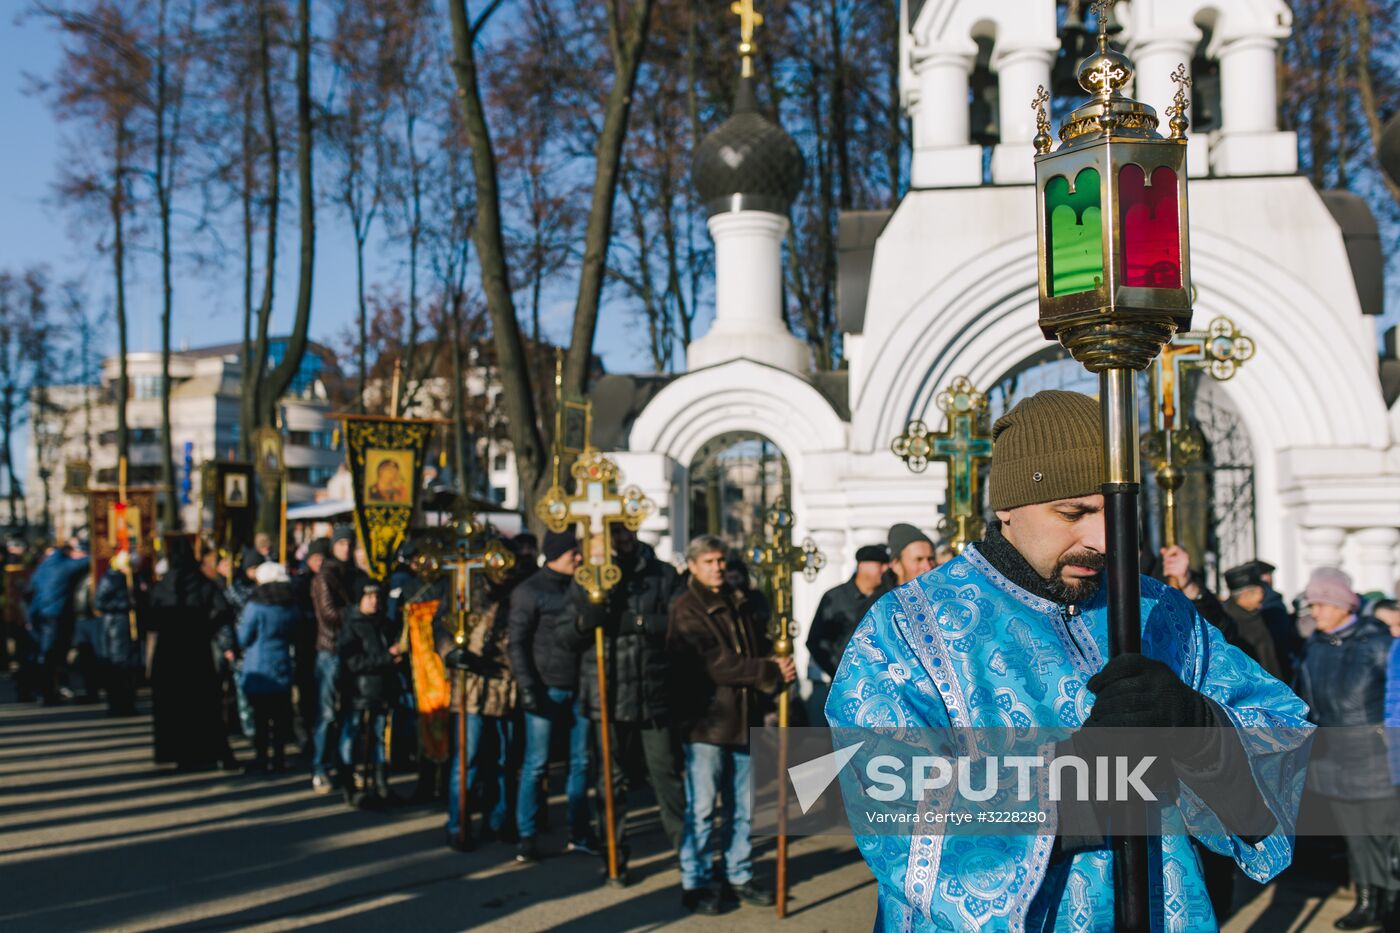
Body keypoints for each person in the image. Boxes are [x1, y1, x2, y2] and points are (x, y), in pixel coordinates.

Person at [827, 390, 1311, 930]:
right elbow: (887, 801)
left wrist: (1201, 730)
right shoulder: (905, 629)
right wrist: (1072, 790)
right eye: (1074, 512)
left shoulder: (1160, 611)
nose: (1104, 539)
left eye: (1115, 511)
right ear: (1006, 506)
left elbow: (1283, 736)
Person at [668, 533, 796, 915]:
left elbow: (755, 647)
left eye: (720, 560)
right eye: (708, 561)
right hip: (706, 721)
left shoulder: (739, 601)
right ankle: (697, 879)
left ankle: (738, 872)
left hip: (744, 718)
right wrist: (768, 671)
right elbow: (715, 662)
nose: (717, 567)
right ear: (692, 566)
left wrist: (777, 659)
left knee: (744, 805)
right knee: (703, 807)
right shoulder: (687, 608)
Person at [572, 524, 686, 882]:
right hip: (606, 693)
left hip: (652, 692)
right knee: (611, 780)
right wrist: (583, 622)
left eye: (626, 533)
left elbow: (679, 623)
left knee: (665, 776)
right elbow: (563, 634)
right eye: (614, 535)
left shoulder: (662, 574)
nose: (622, 541)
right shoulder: (586, 578)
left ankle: (689, 858)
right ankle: (613, 855)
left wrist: (637, 622)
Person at [1294, 566, 1398, 930]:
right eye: (1313, 604)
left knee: (1385, 837)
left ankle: (1391, 904)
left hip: (1374, 759)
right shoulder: (1314, 647)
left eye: (1321, 604)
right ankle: (1367, 902)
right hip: (1332, 758)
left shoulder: (1380, 644)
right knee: (1355, 837)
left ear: (1342, 605)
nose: (1315, 611)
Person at [508, 528, 596, 864]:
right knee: (536, 763)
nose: (578, 557)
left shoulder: (582, 587)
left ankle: (579, 830)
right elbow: (517, 642)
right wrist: (528, 685)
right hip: (546, 685)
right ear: (556, 554)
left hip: (580, 684)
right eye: (572, 552)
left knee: (581, 762)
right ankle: (527, 834)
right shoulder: (529, 592)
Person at [442, 536, 529, 851]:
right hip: (472, 689)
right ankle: (458, 823)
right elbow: (446, 629)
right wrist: (451, 653)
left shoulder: (518, 595)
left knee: (504, 760)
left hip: (503, 687)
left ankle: (500, 819)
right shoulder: (466, 591)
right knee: (468, 759)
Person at [149, 537, 238, 772]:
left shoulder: (163, 584)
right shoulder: (201, 582)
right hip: (195, 650)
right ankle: (205, 750)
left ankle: (179, 752)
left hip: (169, 651)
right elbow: (222, 609)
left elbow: (151, 617)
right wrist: (206, 627)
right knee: (202, 701)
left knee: (175, 704)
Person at [805, 544, 888, 725]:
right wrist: (838, 672)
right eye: (880, 564)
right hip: (836, 688)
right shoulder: (834, 597)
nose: (885, 569)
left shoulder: (886, 596)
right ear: (862, 566)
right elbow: (815, 641)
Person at [338, 581, 401, 805]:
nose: (374, 601)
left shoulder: (385, 623)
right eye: (368, 597)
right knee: (353, 737)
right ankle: (353, 784)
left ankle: (381, 784)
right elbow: (353, 662)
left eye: (377, 597)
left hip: (383, 690)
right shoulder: (352, 626)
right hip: (360, 691)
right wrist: (387, 658)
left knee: (381, 739)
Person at [237, 562, 300, 773]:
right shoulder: (289, 605)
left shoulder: (255, 606)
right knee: (280, 715)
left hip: (258, 665)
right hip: (281, 662)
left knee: (261, 717)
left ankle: (262, 757)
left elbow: (243, 636)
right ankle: (279, 756)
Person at [310, 526, 356, 793]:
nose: (346, 550)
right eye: (341, 545)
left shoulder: (352, 575)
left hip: (349, 649)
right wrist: (355, 611)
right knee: (327, 713)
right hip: (331, 648)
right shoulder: (325, 577)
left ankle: (343, 764)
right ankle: (320, 766)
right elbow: (328, 614)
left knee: (347, 712)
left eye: (349, 545)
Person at [23, 539, 91, 705]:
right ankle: (49, 693)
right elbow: (89, 561)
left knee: (46, 654)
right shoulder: (64, 565)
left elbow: (30, 590)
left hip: (40, 614)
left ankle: (46, 691)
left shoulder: (45, 566)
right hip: (55, 615)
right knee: (52, 654)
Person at [94, 551, 145, 716]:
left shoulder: (135, 578)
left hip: (131, 630)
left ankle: (129, 703)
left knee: (131, 667)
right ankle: (117, 704)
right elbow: (100, 603)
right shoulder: (111, 578)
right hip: (116, 629)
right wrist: (124, 604)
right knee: (118, 668)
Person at [292, 538, 331, 749]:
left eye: (322, 558)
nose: (319, 562)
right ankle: (306, 734)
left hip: (323, 644)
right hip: (306, 645)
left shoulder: (331, 579)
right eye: (316, 558)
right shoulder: (300, 583)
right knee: (307, 693)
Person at [1221, 561, 1285, 680]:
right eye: (1260, 591)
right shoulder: (1228, 622)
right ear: (1245, 594)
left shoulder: (1258, 614)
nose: (1263, 595)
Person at [879, 522, 934, 594]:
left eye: (930, 559)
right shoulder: (881, 603)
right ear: (896, 566)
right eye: (919, 559)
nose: (928, 567)